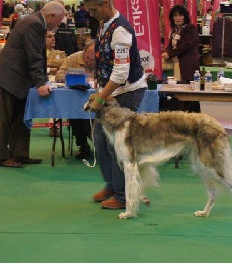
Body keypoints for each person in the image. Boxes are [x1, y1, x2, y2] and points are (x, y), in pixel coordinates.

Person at [84, 0, 147, 209]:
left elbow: (121, 74)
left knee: (116, 145)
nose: (91, 14)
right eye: (89, 10)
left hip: (127, 92)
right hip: (111, 92)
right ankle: (112, 185)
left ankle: (123, 196)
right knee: (99, 139)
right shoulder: (104, 24)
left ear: (107, 3)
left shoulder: (120, 31)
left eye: (94, 9)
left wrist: (101, 98)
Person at [0, 1, 65, 168]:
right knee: (5, 118)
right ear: (51, 16)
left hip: (21, 78)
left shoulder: (36, 23)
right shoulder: (33, 24)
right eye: (59, 20)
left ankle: (19, 154)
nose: (59, 24)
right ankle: (0, 157)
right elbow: (34, 55)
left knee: (21, 116)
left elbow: (39, 56)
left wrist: (43, 80)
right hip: (9, 77)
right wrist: (41, 84)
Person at [55, 39, 95, 159]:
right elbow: (59, 75)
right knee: (75, 116)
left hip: (97, 101)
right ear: (84, 52)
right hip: (75, 101)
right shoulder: (73, 58)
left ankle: (100, 145)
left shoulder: (104, 59)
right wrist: (74, 78)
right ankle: (83, 146)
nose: (91, 62)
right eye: (88, 58)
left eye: (94, 60)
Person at [161, 5, 200, 112]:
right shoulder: (174, 31)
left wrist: (170, 54)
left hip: (187, 66)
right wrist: (166, 52)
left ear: (185, 17)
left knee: (190, 96)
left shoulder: (190, 28)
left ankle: (195, 118)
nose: (177, 18)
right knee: (178, 95)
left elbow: (186, 45)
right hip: (176, 66)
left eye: (180, 15)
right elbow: (170, 46)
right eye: (175, 15)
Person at [45, 30, 66, 137]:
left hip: (54, 82)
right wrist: (50, 69)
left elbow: (63, 62)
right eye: (49, 37)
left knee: (57, 92)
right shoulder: (36, 52)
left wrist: (46, 62)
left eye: (53, 37)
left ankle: (54, 125)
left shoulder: (60, 53)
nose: (53, 39)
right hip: (39, 80)